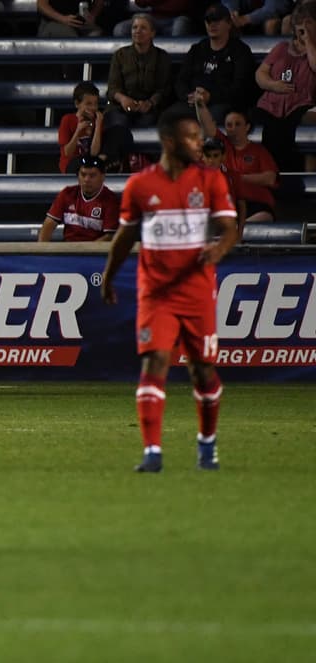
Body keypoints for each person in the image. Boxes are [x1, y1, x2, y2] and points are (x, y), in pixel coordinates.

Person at [101, 106, 237, 473]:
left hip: (197, 291)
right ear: (168, 141)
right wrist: (109, 277)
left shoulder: (210, 181)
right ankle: (152, 452)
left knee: (202, 370)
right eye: (191, 137)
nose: (199, 143)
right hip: (156, 292)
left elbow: (229, 228)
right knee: (155, 361)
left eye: (198, 137)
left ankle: (207, 444)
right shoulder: (141, 186)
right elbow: (125, 237)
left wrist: (218, 250)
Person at [252, 16, 316, 171]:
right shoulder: (281, 48)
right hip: (271, 103)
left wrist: (309, 42)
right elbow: (260, 74)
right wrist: (273, 85)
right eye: (300, 29)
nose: (303, 32)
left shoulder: (313, 51)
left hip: (300, 104)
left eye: (307, 28)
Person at [176, 3, 259, 124]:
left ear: (229, 24)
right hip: (194, 101)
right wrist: (188, 96)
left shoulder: (240, 51)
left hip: (224, 104)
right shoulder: (197, 49)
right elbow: (181, 80)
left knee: (211, 117)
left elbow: (241, 88)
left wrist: (210, 97)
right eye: (208, 21)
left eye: (217, 20)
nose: (212, 25)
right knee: (170, 117)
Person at [104, 14, 174, 141]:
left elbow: (164, 89)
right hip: (120, 107)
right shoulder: (120, 55)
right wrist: (123, 99)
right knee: (118, 124)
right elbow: (112, 88)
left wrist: (150, 102)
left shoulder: (163, 57)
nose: (137, 31)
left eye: (143, 28)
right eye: (134, 27)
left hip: (150, 108)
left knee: (148, 122)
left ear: (152, 33)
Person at [38, 155, 120, 241]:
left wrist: (85, 251)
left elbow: (109, 237)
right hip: (68, 248)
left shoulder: (110, 200)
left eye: (92, 175)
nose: (87, 179)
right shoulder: (67, 193)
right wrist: (41, 250)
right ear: (78, 176)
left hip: (94, 252)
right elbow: (48, 225)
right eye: (83, 174)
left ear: (102, 177)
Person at [220, 109, 279, 221]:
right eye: (229, 125)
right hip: (230, 204)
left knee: (264, 216)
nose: (233, 128)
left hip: (256, 204)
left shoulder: (259, 151)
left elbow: (270, 178)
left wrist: (239, 178)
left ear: (247, 127)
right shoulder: (221, 150)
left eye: (238, 124)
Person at [59, 81, 110, 172]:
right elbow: (67, 152)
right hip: (72, 163)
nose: (93, 108)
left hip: (91, 161)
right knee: (83, 162)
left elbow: (94, 152)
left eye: (96, 104)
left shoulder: (98, 120)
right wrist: (78, 131)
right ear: (77, 104)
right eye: (89, 104)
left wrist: (98, 126)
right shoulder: (67, 119)